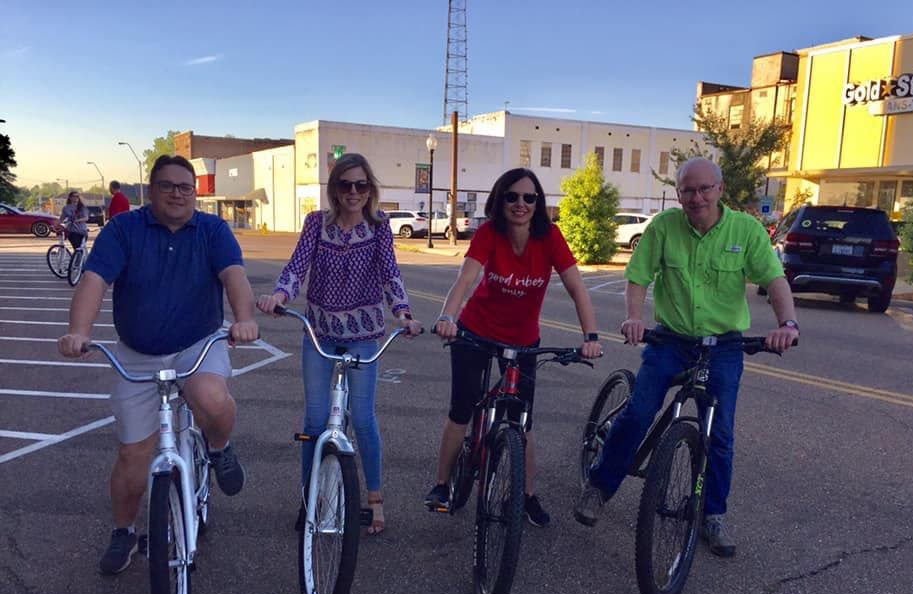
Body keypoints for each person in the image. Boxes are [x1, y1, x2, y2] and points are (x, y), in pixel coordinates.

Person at [574, 157, 800, 556]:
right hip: (670, 341)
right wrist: (633, 318)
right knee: (640, 413)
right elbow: (639, 277)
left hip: (724, 347)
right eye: (687, 191)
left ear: (720, 189)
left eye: (704, 189)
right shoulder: (663, 228)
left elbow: (774, 279)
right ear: (678, 194)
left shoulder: (745, 230)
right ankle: (599, 487)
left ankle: (712, 516)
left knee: (721, 435)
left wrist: (788, 325)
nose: (696, 198)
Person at [58, 154, 259, 575]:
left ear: (194, 193)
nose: (177, 194)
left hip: (197, 344)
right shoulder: (124, 230)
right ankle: (124, 532)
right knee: (133, 456)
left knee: (210, 397)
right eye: (167, 186)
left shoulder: (213, 230)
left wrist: (244, 320)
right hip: (138, 352)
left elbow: (234, 276)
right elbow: (94, 280)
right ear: (151, 191)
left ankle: (219, 448)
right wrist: (79, 331)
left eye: (185, 187)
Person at [424, 167, 603, 527]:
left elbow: (577, 288)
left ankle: (526, 494)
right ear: (499, 200)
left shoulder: (550, 237)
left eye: (529, 197)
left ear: (538, 203)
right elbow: (466, 279)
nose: (521, 204)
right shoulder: (490, 233)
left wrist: (591, 337)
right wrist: (448, 317)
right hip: (475, 331)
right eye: (512, 196)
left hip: (522, 340)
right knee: (462, 410)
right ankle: (443, 484)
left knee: (522, 421)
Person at [256, 153, 421, 536]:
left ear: (370, 189)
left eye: (361, 185)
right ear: (335, 189)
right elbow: (297, 267)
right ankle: (310, 496)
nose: (353, 192)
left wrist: (404, 314)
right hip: (320, 333)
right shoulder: (316, 223)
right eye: (345, 185)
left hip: (364, 336)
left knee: (363, 419)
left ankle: (374, 498)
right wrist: (280, 296)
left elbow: (390, 275)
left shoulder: (379, 228)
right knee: (314, 421)